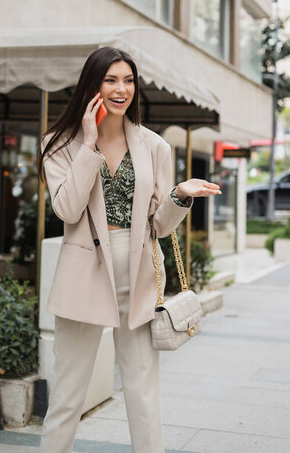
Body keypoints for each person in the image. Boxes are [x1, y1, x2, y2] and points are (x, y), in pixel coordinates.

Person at [37, 46, 221, 452]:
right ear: (93, 85)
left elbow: (158, 225)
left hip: (138, 272)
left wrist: (179, 196)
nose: (122, 89)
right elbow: (66, 210)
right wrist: (88, 145)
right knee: (68, 395)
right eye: (111, 80)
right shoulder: (59, 143)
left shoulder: (153, 146)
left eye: (129, 80)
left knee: (143, 395)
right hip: (84, 273)